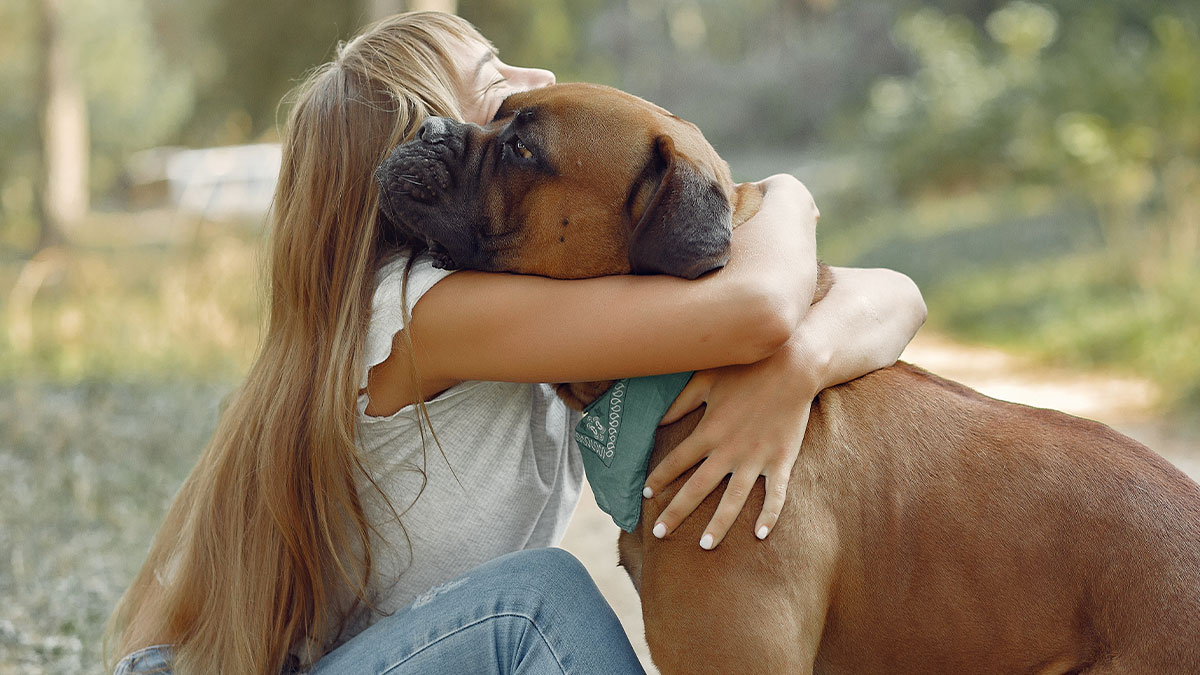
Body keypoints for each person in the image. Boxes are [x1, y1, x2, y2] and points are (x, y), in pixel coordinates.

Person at [106, 11, 926, 675]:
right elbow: (758, 304)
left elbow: (895, 295)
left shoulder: (538, 286)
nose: (539, 84)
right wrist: (785, 194)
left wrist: (803, 366)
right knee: (532, 604)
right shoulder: (428, 315)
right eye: (497, 96)